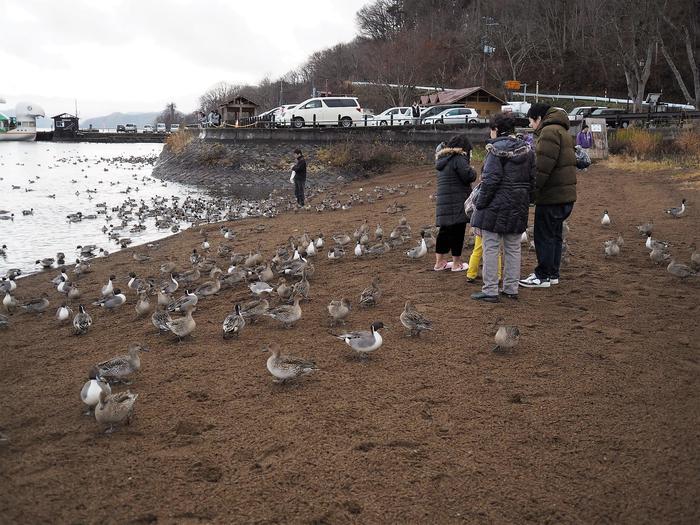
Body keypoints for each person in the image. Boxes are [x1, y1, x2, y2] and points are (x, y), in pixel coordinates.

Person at [470, 113, 536, 302]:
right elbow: (533, 180)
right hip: (518, 204)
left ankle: (490, 290)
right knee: (513, 247)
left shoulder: (494, 151)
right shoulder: (528, 150)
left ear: (496, 129)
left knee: (491, 247)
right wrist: (528, 199)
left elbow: (490, 181)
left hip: (495, 205)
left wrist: (480, 203)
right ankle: (511, 288)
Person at [519, 103, 577, 289]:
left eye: (531, 122)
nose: (532, 127)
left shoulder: (549, 132)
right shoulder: (563, 130)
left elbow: (542, 168)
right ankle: (552, 273)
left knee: (543, 235)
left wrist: (532, 194)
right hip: (565, 195)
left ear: (538, 118)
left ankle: (542, 275)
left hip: (552, 196)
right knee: (555, 235)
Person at [433, 134, 477, 272]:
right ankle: (456, 263)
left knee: (444, 231)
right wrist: (473, 170)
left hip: (444, 202)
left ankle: (439, 263)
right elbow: (468, 176)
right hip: (457, 201)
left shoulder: (442, 159)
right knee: (458, 231)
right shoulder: (459, 158)